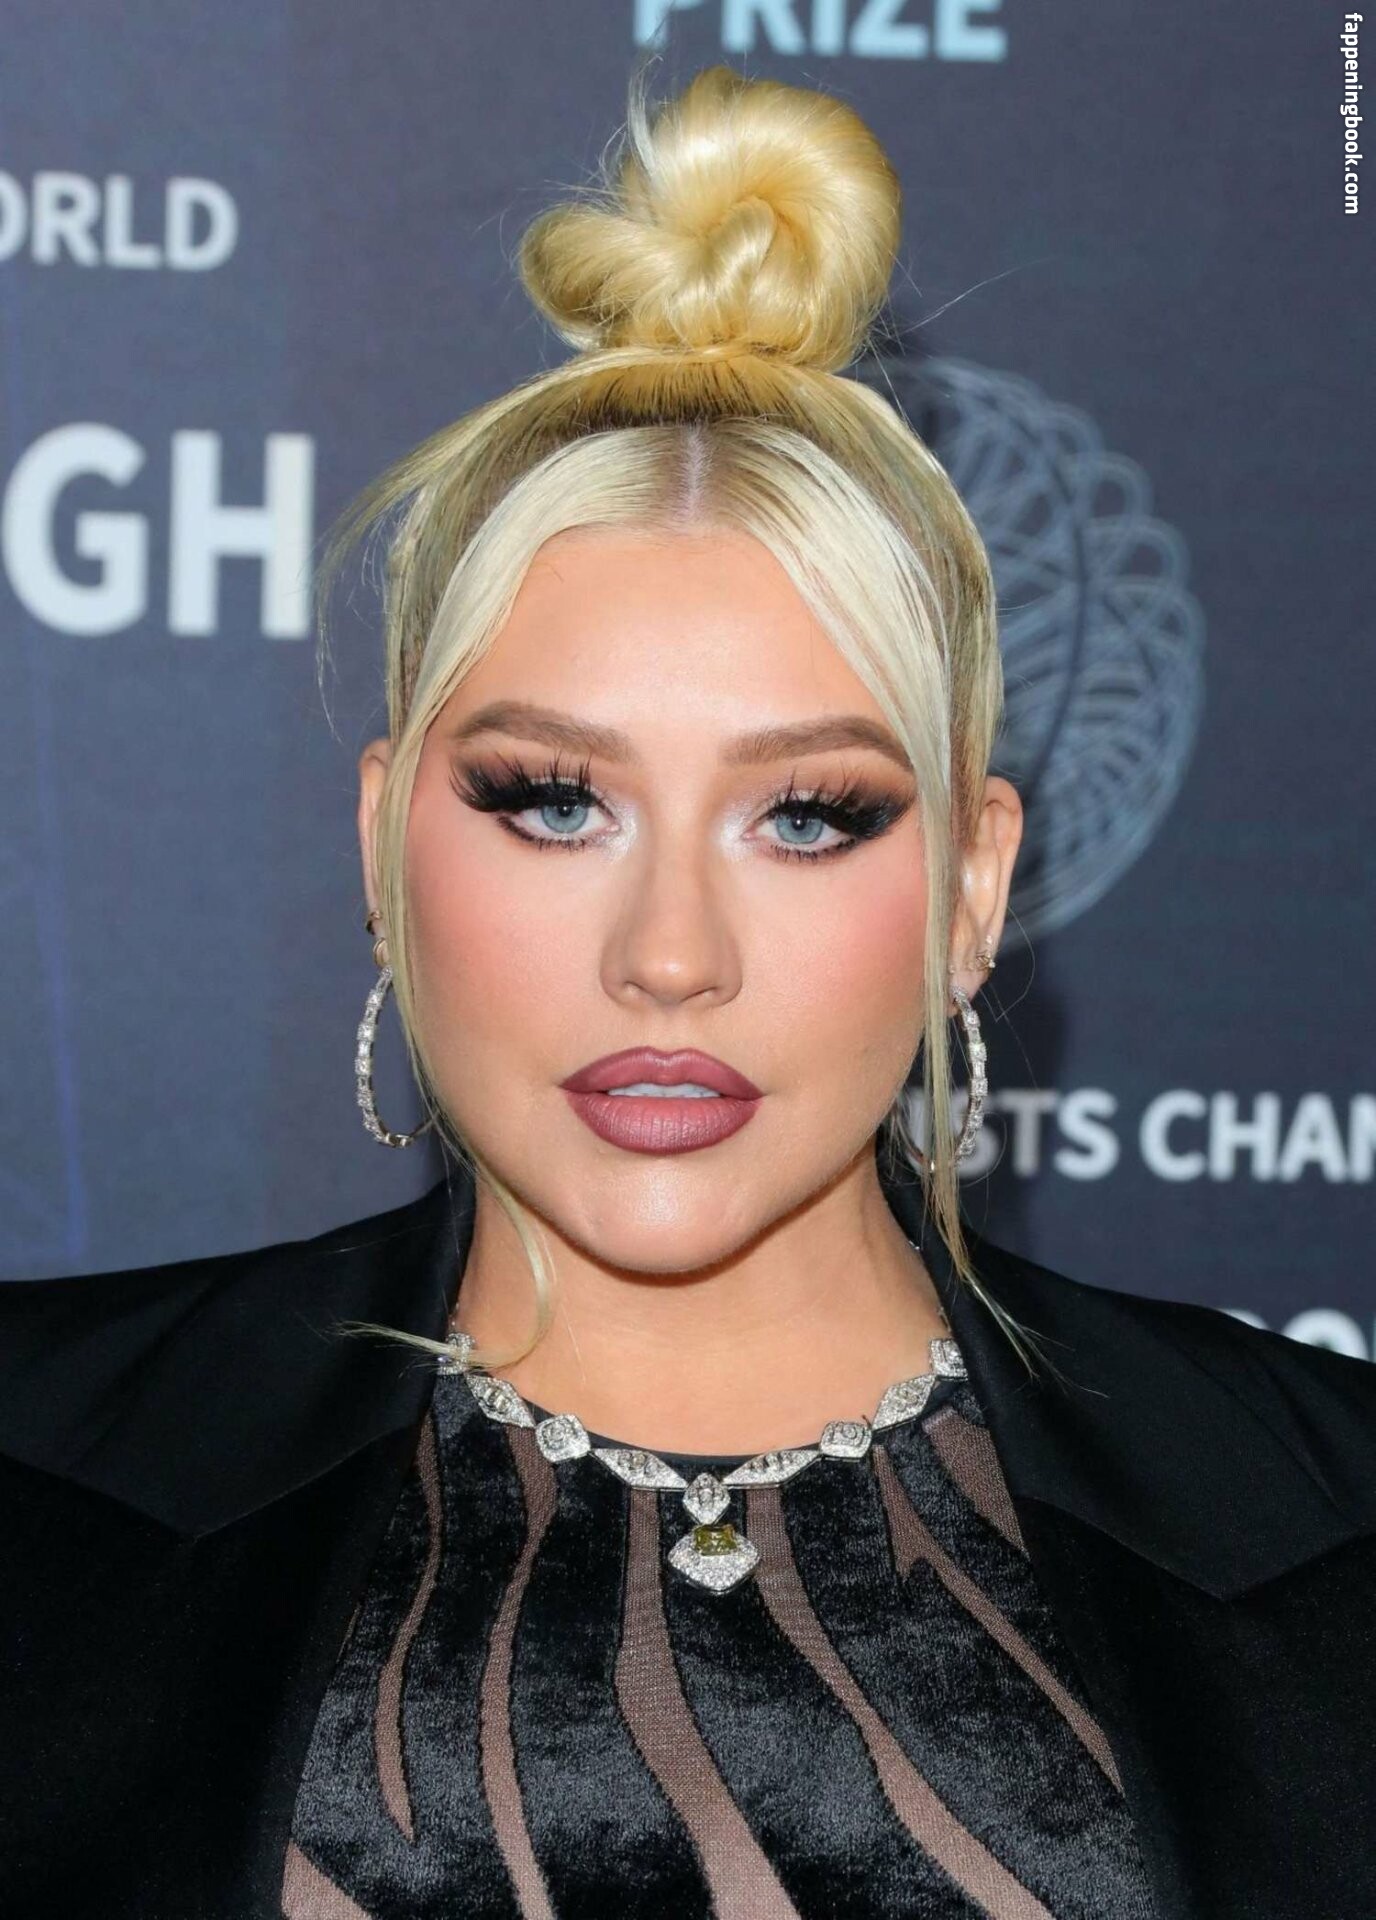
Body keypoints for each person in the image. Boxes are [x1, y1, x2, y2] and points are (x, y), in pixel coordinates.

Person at [2, 59, 1374, 1920]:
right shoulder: (36, 1479)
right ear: (386, 840)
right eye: (552, 801)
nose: (669, 954)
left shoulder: (1335, 1529)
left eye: (807, 816)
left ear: (971, 889)